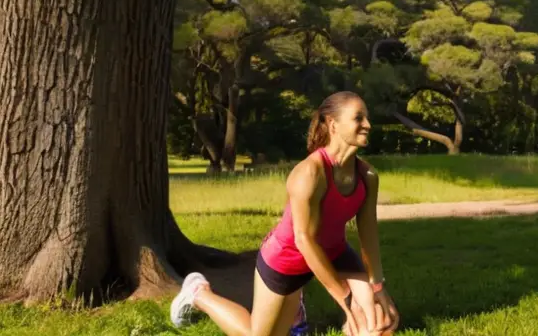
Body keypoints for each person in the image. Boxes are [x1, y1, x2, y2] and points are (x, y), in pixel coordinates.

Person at [169, 91, 400, 336]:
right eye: (359, 118)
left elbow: (369, 235)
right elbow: (303, 240)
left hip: (334, 254)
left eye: (367, 118)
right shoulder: (309, 174)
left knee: (379, 325)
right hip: (287, 261)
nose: (368, 125)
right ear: (334, 125)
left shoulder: (368, 177)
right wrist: (344, 298)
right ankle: (199, 293)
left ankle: (299, 308)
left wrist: (377, 286)